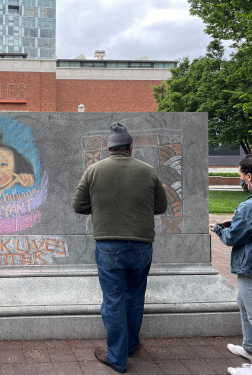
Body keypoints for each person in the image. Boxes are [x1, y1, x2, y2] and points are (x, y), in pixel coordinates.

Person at [72, 122, 168, 373]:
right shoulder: (148, 171)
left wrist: (102, 207)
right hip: (142, 246)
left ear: (110, 148)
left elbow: (78, 205)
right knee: (135, 296)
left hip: (108, 247)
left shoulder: (94, 171)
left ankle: (116, 356)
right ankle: (131, 345)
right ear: (130, 147)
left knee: (113, 300)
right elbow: (160, 207)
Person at [210, 154, 252, 375]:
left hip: (251, 266)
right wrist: (235, 222)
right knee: (243, 302)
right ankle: (249, 348)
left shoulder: (250, 206)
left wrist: (220, 229)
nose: (241, 181)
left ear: (249, 176)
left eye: (241, 176)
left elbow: (233, 238)